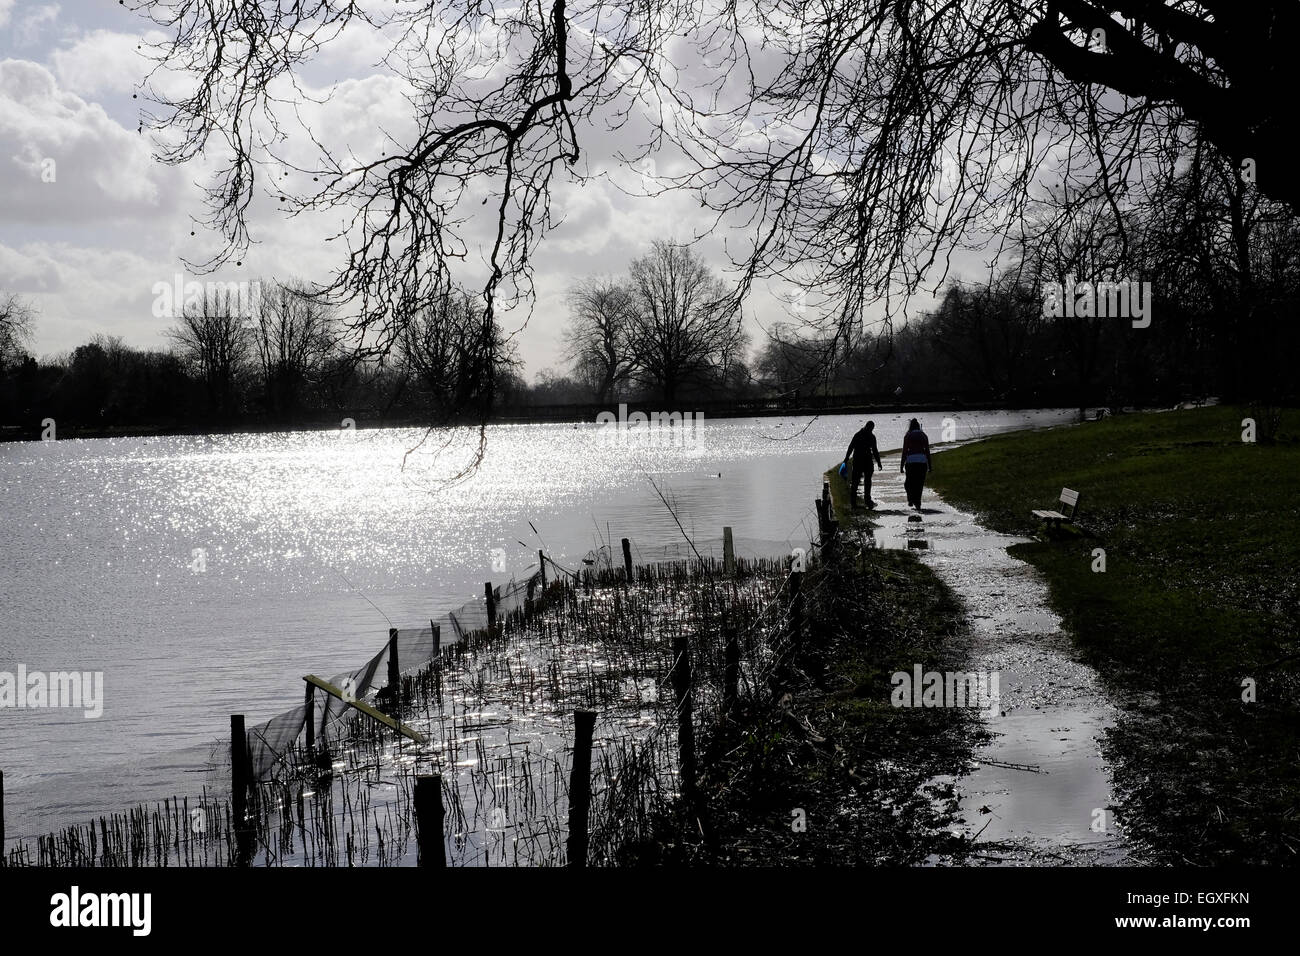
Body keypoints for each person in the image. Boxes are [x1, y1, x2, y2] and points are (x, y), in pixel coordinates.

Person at [842, 420, 883, 508]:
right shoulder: (863, 435)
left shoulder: (863, 435)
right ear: (867, 427)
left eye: (872, 429)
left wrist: (879, 462)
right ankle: (857, 501)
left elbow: (875, 450)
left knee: (863, 481)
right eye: (870, 429)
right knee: (859, 481)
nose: (871, 430)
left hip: (863, 461)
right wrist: (846, 459)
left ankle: (864, 501)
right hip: (861, 461)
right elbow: (851, 447)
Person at [900, 418, 932, 510]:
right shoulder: (923, 435)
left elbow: (904, 451)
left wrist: (901, 465)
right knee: (919, 483)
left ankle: (910, 498)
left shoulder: (908, 435)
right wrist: (930, 465)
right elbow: (927, 451)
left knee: (909, 483)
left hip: (911, 462)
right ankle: (917, 502)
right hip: (922, 462)